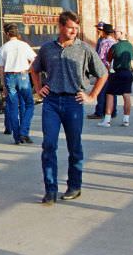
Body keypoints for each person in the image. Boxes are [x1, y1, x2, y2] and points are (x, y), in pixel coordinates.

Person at [31, 11, 108, 205]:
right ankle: (50, 190)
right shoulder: (47, 48)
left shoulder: (84, 49)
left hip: (74, 102)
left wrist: (92, 96)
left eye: (76, 28)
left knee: (74, 146)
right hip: (52, 102)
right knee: (48, 145)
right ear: (61, 27)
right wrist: (39, 88)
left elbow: (103, 73)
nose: (74, 31)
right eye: (71, 27)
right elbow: (34, 69)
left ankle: (74, 185)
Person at [0, 23, 37, 144]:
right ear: (17, 33)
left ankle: (17, 137)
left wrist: (3, 86)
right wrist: (27, 69)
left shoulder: (4, 47)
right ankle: (24, 132)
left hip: (10, 77)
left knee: (13, 107)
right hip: (23, 76)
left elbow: (1, 68)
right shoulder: (24, 45)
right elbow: (35, 59)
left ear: (7, 34)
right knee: (29, 103)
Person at [98, 29, 133, 128]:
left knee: (110, 94)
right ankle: (126, 120)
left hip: (117, 73)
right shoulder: (130, 45)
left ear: (122, 33)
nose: (114, 33)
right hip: (127, 73)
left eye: (116, 32)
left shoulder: (115, 46)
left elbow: (108, 59)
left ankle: (107, 121)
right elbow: (131, 61)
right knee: (126, 95)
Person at [88, 22, 117, 119]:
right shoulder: (114, 42)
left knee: (101, 91)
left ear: (104, 32)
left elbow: (99, 57)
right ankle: (112, 111)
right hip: (113, 69)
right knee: (112, 91)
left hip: (104, 69)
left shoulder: (104, 42)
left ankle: (99, 112)